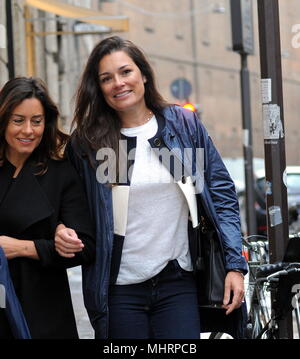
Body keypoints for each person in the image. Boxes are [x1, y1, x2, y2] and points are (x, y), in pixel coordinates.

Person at [58, 36, 247, 339]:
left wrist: (235, 265)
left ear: (143, 74)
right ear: (99, 88)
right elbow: (71, 206)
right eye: (106, 78)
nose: (118, 83)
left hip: (177, 282)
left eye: (125, 72)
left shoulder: (181, 126)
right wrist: (62, 229)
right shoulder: (91, 143)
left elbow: (221, 193)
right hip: (119, 289)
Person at [0, 77, 95, 339]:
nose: (28, 130)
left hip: (42, 307)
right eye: (18, 120)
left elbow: (86, 245)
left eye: (37, 121)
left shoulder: (60, 172)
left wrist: (23, 248)